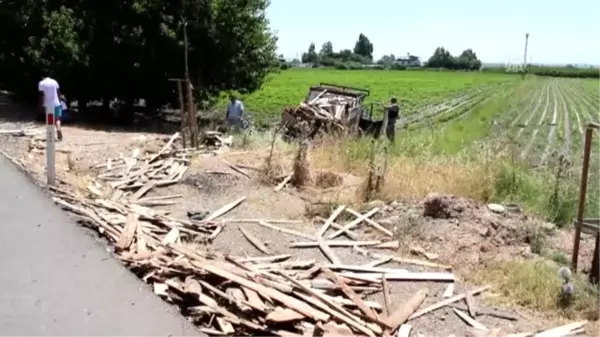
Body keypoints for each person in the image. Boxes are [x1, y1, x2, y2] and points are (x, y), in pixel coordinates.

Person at [38, 75, 64, 141]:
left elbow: (41, 95)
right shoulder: (54, 82)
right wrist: (59, 102)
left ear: (43, 77)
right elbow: (58, 93)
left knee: (50, 120)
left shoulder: (41, 83)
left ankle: (50, 138)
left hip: (48, 104)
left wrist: (40, 105)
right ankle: (58, 129)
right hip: (56, 103)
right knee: (57, 119)